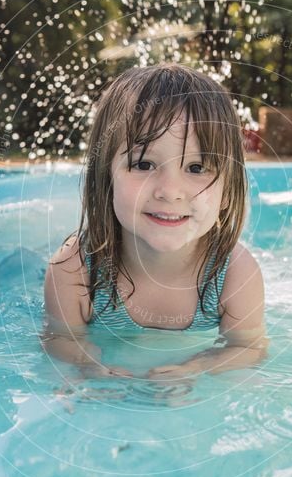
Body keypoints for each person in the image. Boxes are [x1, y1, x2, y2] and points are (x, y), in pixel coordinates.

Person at [42, 63, 268, 382]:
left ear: (227, 190)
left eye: (196, 167)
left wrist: (197, 368)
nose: (170, 192)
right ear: (105, 178)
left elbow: (248, 348)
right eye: (144, 163)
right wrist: (89, 367)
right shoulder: (75, 268)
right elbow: (60, 339)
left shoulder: (234, 272)